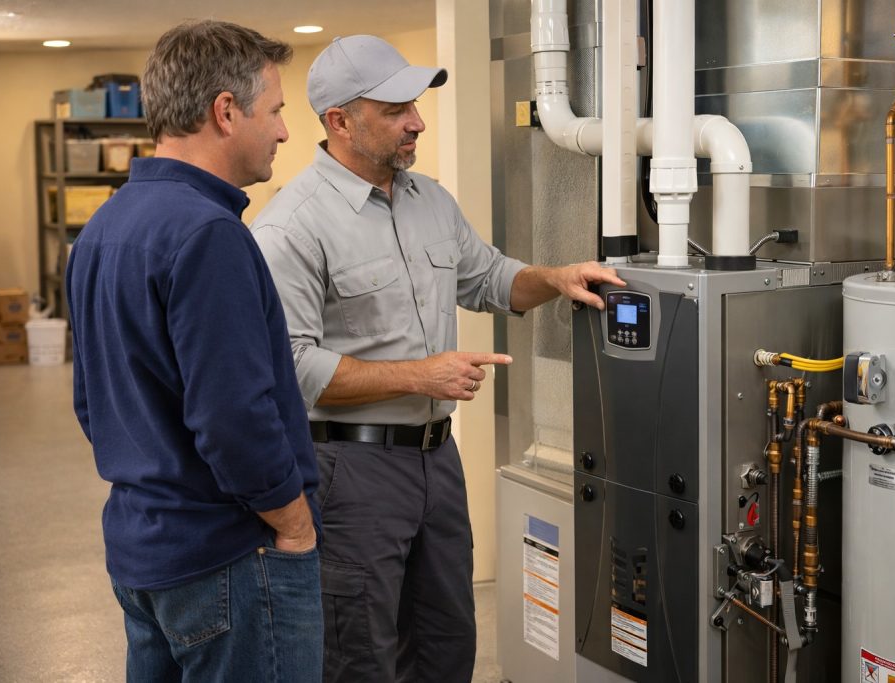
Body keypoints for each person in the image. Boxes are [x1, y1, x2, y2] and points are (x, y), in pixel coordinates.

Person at [250, 34, 624, 682]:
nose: (417, 121)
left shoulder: (431, 202)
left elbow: (492, 278)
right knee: (363, 655)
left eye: (415, 105)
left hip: (436, 466)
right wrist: (422, 374)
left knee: (448, 642)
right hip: (351, 471)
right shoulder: (292, 226)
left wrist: (556, 276)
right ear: (340, 120)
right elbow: (291, 366)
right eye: (396, 109)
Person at [66, 20, 322, 682]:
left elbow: (92, 401)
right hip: (229, 560)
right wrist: (292, 523)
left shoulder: (103, 227)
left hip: (143, 551)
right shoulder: (208, 234)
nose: (287, 132)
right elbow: (234, 416)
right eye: (276, 111)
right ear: (226, 111)